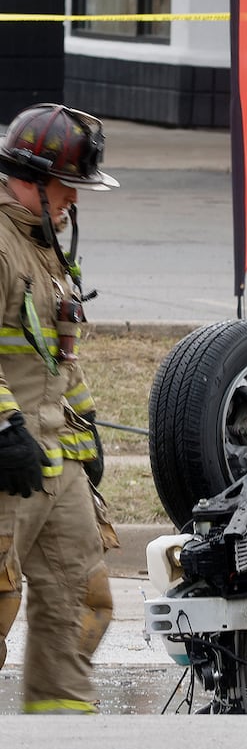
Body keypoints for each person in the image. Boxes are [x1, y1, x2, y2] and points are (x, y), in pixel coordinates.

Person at [0, 103, 115, 714]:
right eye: (69, 185)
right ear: (36, 179)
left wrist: (86, 424)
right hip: (6, 462)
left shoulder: (45, 248)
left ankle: (59, 728)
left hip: (52, 458)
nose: (75, 199)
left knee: (85, 602)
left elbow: (57, 357)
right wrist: (1, 428)